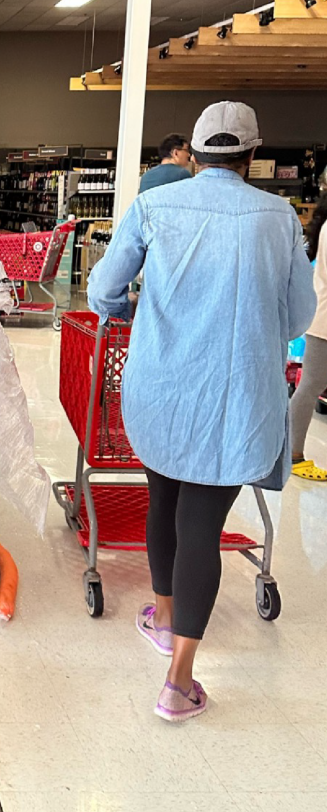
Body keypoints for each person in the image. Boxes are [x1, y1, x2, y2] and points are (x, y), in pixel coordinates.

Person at [88, 102, 316, 722]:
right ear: (250, 155)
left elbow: (105, 291)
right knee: (201, 527)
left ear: (192, 153)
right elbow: (298, 317)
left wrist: (138, 310)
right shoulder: (278, 217)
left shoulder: (154, 206)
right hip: (236, 397)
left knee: (162, 500)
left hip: (162, 386)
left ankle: (163, 620)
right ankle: (178, 681)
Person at [289, 192, 327, 480]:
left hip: (321, 320)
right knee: (311, 384)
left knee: (311, 385)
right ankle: (293, 454)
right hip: (324, 323)